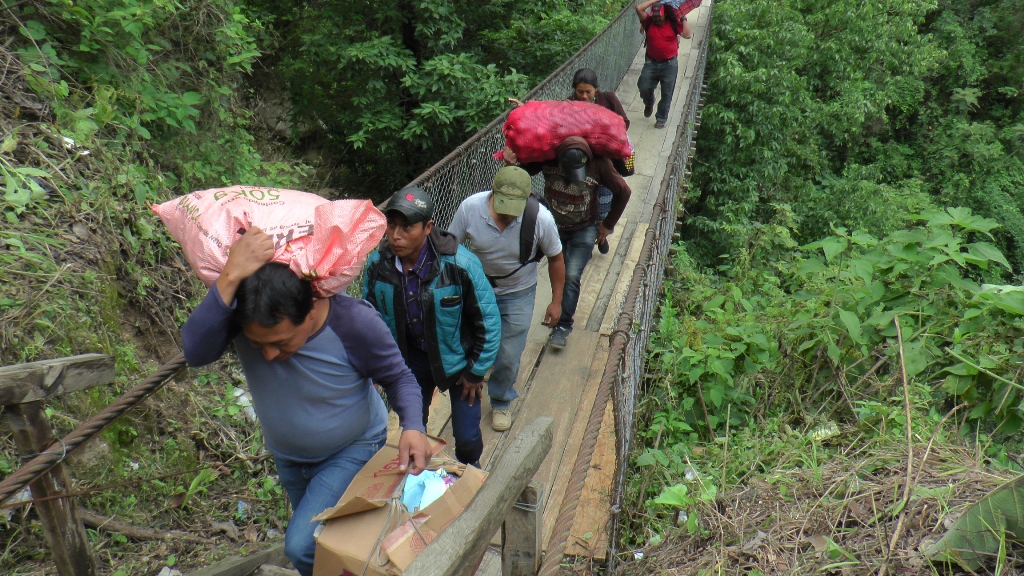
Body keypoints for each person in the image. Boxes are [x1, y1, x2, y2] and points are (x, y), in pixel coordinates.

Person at [181, 228, 431, 576]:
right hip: (290, 459)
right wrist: (231, 274)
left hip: (354, 448)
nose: (268, 354)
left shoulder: (353, 323)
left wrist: (413, 427)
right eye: (257, 345)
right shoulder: (245, 317)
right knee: (329, 547)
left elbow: (399, 377)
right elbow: (194, 352)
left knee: (303, 546)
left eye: (281, 343)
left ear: (311, 308)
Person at [363, 186, 501, 466]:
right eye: (391, 225)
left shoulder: (460, 265)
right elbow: (369, 318)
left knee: (467, 438)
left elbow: (488, 322)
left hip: (458, 362)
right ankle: (419, 481)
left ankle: (469, 472)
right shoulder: (378, 265)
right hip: (409, 364)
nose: (396, 235)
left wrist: (475, 372)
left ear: (428, 228)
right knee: (414, 428)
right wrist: (374, 368)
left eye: (407, 227)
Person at [448, 166, 565, 431]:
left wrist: (556, 301)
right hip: (477, 289)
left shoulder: (541, 219)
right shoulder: (470, 208)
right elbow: (449, 247)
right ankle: (472, 385)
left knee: (509, 351)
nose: (508, 212)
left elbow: (556, 259)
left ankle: (501, 399)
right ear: (492, 193)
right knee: (470, 342)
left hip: (518, 292)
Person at [503, 136, 631, 349]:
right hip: (550, 225)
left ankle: (562, 326)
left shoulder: (598, 164)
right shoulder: (548, 158)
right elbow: (521, 174)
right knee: (521, 261)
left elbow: (624, 191)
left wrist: (608, 224)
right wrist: (510, 163)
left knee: (571, 275)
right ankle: (511, 319)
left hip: (584, 229)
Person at [569, 67, 631, 254]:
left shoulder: (609, 100)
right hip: (582, 165)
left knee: (604, 204)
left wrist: (604, 135)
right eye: (580, 92)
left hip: (606, 163)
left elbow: (624, 122)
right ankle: (590, 240)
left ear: (596, 89)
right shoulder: (568, 105)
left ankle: (601, 235)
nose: (584, 96)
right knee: (583, 205)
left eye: (588, 92)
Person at [636, 0, 693, 129]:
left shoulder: (673, 23)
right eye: (655, 16)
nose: (657, 18)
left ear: (665, 14)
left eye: (659, 16)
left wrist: (683, 19)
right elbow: (639, 8)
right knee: (643, 86)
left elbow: (688, 35)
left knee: (667, 93)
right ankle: (649, 102)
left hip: (669, 65)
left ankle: (661, 118)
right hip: (651, 62)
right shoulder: (649, 21)